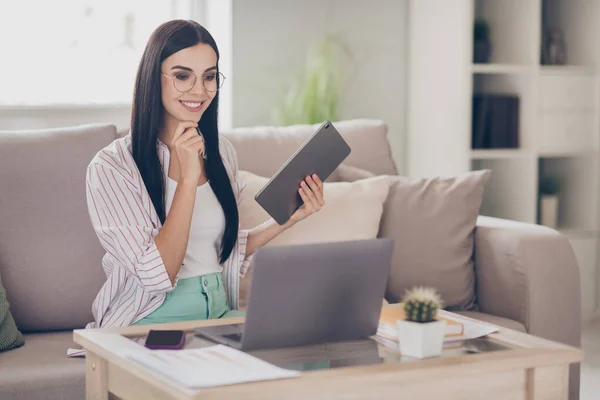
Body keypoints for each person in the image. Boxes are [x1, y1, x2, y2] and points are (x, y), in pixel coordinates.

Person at [85, 20, 325, 328]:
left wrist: (291, 216)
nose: (199, 90)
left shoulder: (221, 151)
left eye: (209, 77)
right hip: (149, 321)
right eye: (182, 76)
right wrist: (187, 178)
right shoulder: (112, 167)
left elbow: (217, 250)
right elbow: (158, 272)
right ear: (152, 78)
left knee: (309, 353)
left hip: (217, 312)